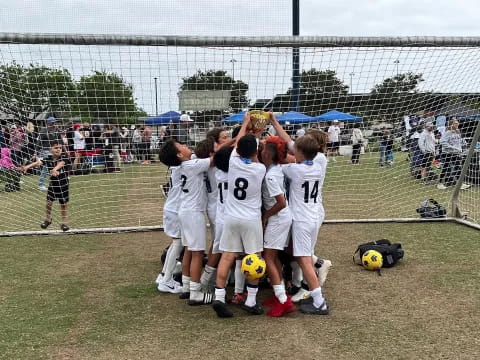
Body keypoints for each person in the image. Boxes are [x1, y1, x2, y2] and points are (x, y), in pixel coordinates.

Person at [212, 113, 266, 318]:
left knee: (227, 256)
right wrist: (258, 132)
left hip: (231, 217)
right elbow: (253, 151)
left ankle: (218, 296)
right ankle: (251, 300)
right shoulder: (259, 169)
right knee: (255, 258)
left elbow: (236, 148)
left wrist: (245, 124)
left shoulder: (233, 162)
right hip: (251, 219)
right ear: (255, 152)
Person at [158, 138, 213, 306]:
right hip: (191, 213)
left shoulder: (184, 165)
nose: (186, 145)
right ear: (180, 154)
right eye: (181, 145)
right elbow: (216, 158)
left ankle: (186, 286)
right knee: (196, 252)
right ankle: (195, 293)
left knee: (188, 250)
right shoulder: (191, 165)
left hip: (184, 211)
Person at [259, 136, 295, 317]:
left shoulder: (271, 176)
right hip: (280, 218)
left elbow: (281, 202)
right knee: (274, 257)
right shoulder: (276, 168)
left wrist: (266, 216)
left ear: (267, 154)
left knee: (268, 257)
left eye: (264, 150)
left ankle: (284, 301)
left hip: (278, 218)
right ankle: (279, 292)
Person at [22, 140, 71, 231]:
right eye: (56, 148)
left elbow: (62, 163)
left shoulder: (64, 156)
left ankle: (64, 223)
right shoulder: (48, 158)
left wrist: (54, 169)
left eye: (60, 148)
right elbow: (38, 163)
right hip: (52, 184)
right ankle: (48, 219)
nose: (58, 149)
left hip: (63, 184)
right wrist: (27, 167)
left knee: (63, 204)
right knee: (48, 203)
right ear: (50, 149)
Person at [156, 163, 184, 294]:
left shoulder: (175, 166)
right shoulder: (182, 166)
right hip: (175, 209)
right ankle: (167, 281)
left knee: (176, 243)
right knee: (178, 243)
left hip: (172, 207)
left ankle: (163, 275)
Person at [437, 120, 470, 190]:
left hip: (456, 153)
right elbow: (442, 141)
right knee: (445, 168)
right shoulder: (447, 133)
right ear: (451, 124)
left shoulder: (457, 132)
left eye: (457, 123)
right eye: (455, 123)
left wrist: (462, 145)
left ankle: (460, 184)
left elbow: (459, 141)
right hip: (447, 153)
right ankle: (440, 183)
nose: (457, 124)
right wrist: (452, 147)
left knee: (458, 167)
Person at [36, 117, 61, 191]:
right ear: (48, 123)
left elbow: (60, 140)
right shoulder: (43, 131)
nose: (53, 124)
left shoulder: (56, 130)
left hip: (54, 150)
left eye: (54, 122)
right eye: (52, 122)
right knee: (46, 168)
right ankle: (41, 185)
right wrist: (36, 152)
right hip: (46, 151)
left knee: (56, 166)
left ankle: (55, 182)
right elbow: (39, 142)